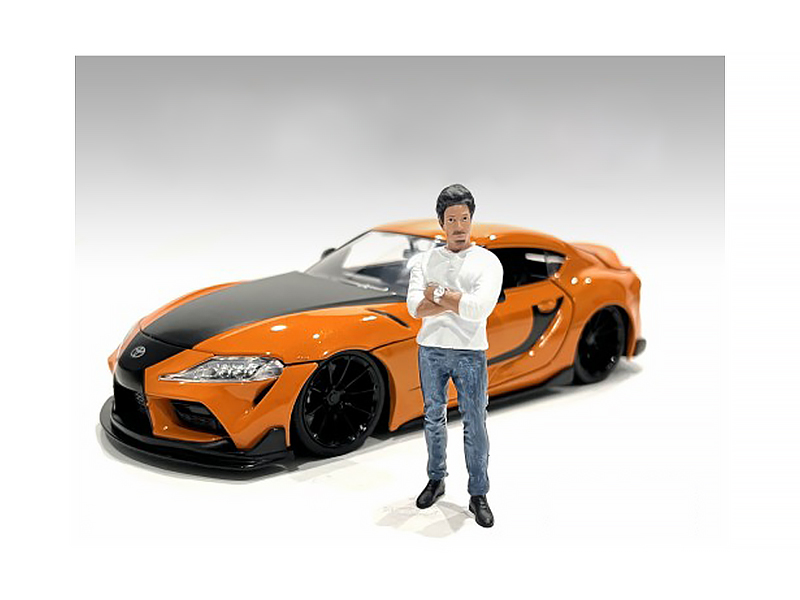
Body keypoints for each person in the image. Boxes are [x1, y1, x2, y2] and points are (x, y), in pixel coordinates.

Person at [405, 183, 504, 528]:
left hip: (469, 353)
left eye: (464, 218)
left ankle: (478, 493)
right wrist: (457, 300)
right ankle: (436, 478)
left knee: (474, 422)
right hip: (430, 349)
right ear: (441, 223)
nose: (459, 227)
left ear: (471, 219)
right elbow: (415, 308)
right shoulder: (424, 260)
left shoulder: (487, 262)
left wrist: (438, 293)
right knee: (433, 417)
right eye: (452, 220)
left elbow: (478, 311)